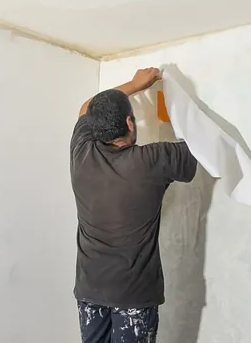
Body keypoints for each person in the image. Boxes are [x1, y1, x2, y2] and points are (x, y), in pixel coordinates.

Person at [70, 67, 198, 343]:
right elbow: (197, 147)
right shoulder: (152, 160)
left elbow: (86, 106)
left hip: (90, 290)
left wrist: (134, 84)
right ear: (130, 123)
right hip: (134, 296)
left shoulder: (81, 153)